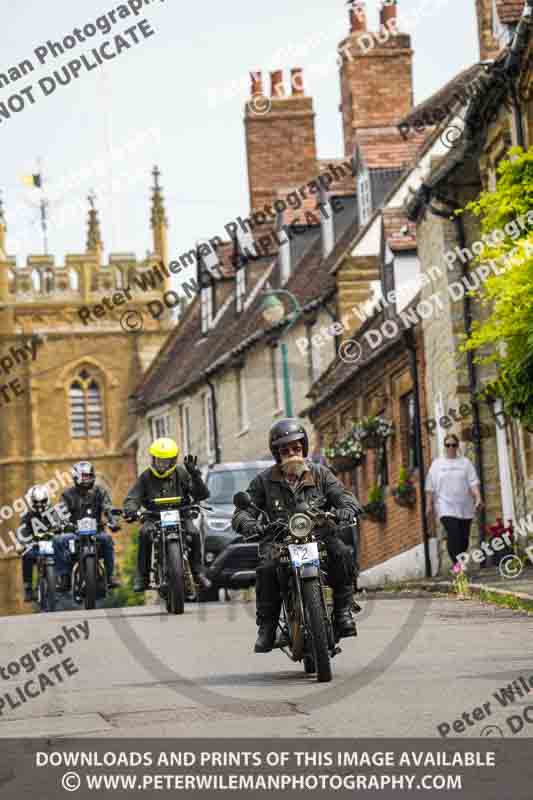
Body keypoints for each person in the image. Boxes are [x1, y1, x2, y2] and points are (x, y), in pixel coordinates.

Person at [232, 418, 362, 654]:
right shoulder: (264, 480)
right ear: (277, 454)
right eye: (285, 450)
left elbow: (343, 495)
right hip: (280, 540)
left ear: (303, 448)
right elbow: (242, 512)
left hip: (319, 535)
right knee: (267, 568)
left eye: (296, 448)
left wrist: (346, 508)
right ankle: (268, 627)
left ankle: (343, 611)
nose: (292, 453)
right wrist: (249, 523)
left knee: (341, 553)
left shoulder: (321, 474)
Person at [123, 437, 210, 592]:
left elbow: (202, 495)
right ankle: (142, 577)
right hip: (153, 517)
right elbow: (133, 497)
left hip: (182, 515)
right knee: (144, 533)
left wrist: (195, 476)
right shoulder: (145, 477)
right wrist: (131, 509)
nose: (161, 464)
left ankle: (198, 573)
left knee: (194, 533)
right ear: (153, 459)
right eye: (158, 460)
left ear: (173, 461)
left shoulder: (182, 474)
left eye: (165, 461)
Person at [57, 462, 121, 591]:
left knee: (107, 539)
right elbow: (61, 511)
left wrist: (113, 521)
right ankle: (64, 578)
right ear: (76, 477)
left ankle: (110, 576)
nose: (87, 479)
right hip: (74, 532)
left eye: (89, 476)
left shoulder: (100, 491)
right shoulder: (67, 495)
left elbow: (108, 507)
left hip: (96, 531)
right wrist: (62, 523)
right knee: (59, 540)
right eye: (84, 476)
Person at [425, 434, 483, 565]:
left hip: (465, 506)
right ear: (444, 446)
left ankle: (460, 561)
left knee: (463, 539)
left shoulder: (465, 463)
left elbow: (473, 483)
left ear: (457, 446)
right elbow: (430, 486)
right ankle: (457, 565)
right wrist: (429, 505)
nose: (451, 447)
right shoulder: (437, 464)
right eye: (448, 445)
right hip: (445, 506)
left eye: (453, 445)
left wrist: (478, 497)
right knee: (453, 533)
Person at [20, 485, 69, 602]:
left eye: (42, 501)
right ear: (31, 502)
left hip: (53, 544)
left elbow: (64, 524)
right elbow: (22, 531)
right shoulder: (27, 516)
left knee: (66, 551)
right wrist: (23, 543)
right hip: (36, 546)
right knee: (26, 556)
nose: (40, 505)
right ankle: (28, 588)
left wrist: (63, 527)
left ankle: (64, 580)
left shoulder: (54, 512)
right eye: (36, 502)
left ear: (47, 499)